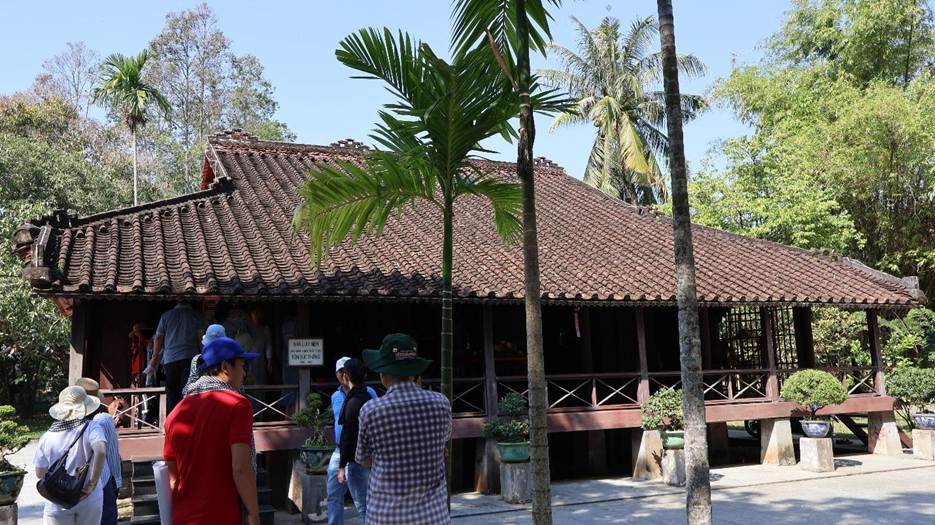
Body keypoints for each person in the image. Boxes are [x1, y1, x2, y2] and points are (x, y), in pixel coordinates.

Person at [163, 336, 260, 525]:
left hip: (182, 517)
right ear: (225, 367)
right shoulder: (238, 405)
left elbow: (172, 479)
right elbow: (241, 468)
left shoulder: (174, 413)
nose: (244, 373)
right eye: (242, 366)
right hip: (221, 516)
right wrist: (254, 514)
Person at [357, 334, 451, 525]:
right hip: (434, 517)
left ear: (382, 373)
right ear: (414, 373)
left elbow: (363, 459)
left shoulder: (371, 410)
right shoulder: (441, 403)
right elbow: (443, 444)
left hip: (386, 517)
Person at [33, 386, 109, 525]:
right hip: (88, 496)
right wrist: (92, 484)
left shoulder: (47, 436)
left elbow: (40, 473)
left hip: (57, 499)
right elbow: (101, 450)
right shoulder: (91, 427)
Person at [327, 357, 377, 525]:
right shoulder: (336, 396)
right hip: (339, 450)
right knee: (333, 497)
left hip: (359, 453)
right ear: (337, 374)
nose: (343, 375)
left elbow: (350, 431)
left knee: (363, 503)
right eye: (340, 372)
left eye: (345, 371)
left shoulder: (367, 393)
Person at [75, 378, 122, 525]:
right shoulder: (103, 420)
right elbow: (111, 453)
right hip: (102, 481)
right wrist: (117, 481)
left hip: (74, 483)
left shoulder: (68, 423)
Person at [147, 301, 202, 415]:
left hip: (170, 359)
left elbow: (158, 338)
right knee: (188, 390)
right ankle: (187, 418)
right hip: (190, 357)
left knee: (172, 392)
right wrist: (202, 355)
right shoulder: (195, 316)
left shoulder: (166, 316)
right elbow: (200, 337)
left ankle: (173, 418)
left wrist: (154, 358)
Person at [336, 358, 371, 523]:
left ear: (346, 376)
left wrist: (341, 466)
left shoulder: (353, 402)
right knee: (371, 505)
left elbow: (348, 436)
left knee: (364, 507)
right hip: (371, 458)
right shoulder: (368, 397)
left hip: (357, 460)